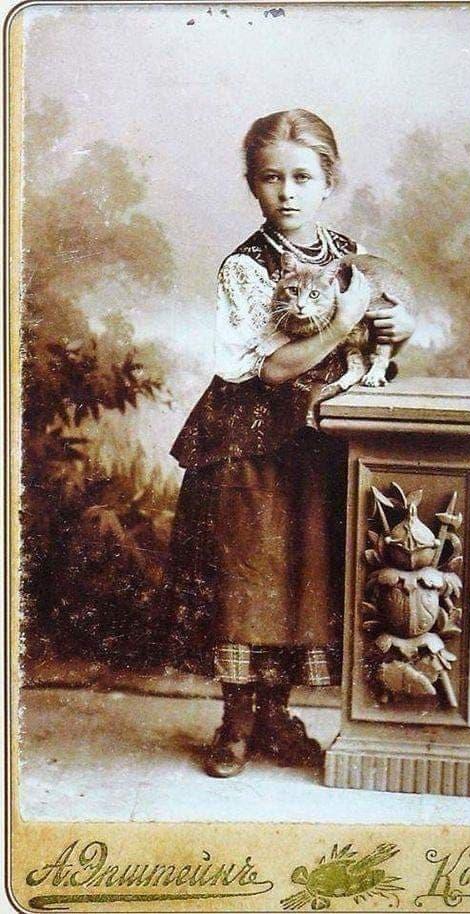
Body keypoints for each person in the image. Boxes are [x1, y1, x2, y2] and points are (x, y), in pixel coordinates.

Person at [162, 109, 415, 778]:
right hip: (246, 447)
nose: (287, 192)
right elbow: (271, 369)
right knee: (247, 579)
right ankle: (236, 723)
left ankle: (276, 716)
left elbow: (371, 336)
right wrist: (343, 320)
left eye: (302, 177)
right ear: (253, 184)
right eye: (271, 178)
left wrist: (397, 328)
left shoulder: (349, 254)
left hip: (315, 443)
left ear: (329, 181)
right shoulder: (244, 268)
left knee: (303, 577)